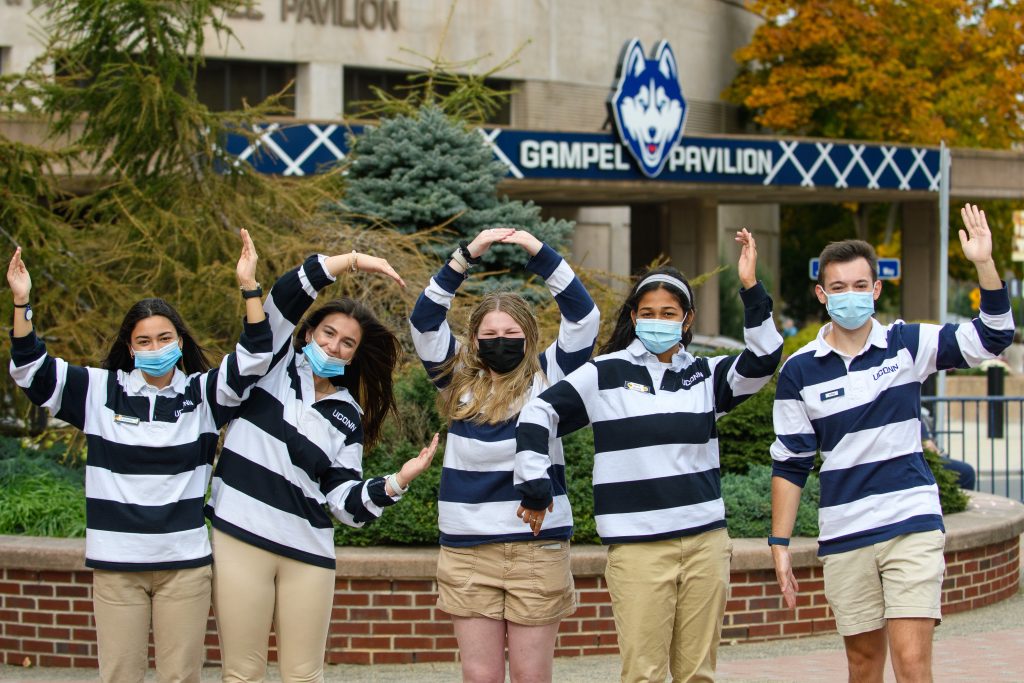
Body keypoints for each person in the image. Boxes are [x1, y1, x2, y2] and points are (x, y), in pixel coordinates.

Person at [515, 230, 782, 683]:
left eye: (669, 313)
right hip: (638, 550)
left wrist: (751, 288)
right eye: (648, 313)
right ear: (635, 318)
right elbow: (538, 412)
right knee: (644, 674)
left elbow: (764, 357)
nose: (658, 321)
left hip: (704, 544)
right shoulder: (604, 373)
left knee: (698, 674)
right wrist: (536, 487)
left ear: (687, 319)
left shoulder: (705, 374)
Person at [7, 233, 271, 683]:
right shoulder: (99, 391)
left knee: (181, 677)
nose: (155, 348)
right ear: (130, 348)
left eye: (164, 338)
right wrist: (22, 302)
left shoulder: (202, 394)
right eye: (144, 341)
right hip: (117, 566)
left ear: (180, 342)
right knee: (120, 676)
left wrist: (249, 287)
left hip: (183, 565)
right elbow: (31, 370)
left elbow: (254, 358)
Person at [769, 204, 1014, 683]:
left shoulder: (907, 343)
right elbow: (791, 462)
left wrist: (983, 264)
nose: (850, 296)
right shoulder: (799, 370)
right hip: (845, 532)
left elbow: (994, 337)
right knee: (862, 666)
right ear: (822, 294)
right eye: (838, 288)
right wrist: (779, 543)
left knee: (911, 659)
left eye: (861, 286)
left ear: (876, 290)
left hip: (911, 522)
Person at [204, 249, 438, 683]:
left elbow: (344, 502)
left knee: (305, 676)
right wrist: (351, 260)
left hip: (308, 552)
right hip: (241, 536)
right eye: (328, 333)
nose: (334, 346)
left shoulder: (347, 413)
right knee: (242, 672)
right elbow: (285, 298)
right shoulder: (268, 364)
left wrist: (396, 482)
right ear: (309, 332)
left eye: (346, 343)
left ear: (352, 356)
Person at [409, 228, 600, 683]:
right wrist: (464, 258)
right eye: (490, 333)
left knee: (532, 676)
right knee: (480, 676)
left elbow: (584, 318)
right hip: (467, 549)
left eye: (511, 332)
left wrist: (537, 250)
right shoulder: (457, 380)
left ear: (529, 336)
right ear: (473, 341)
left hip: (535, 547)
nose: (501, 340)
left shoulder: (549, 376)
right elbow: (424, 322)